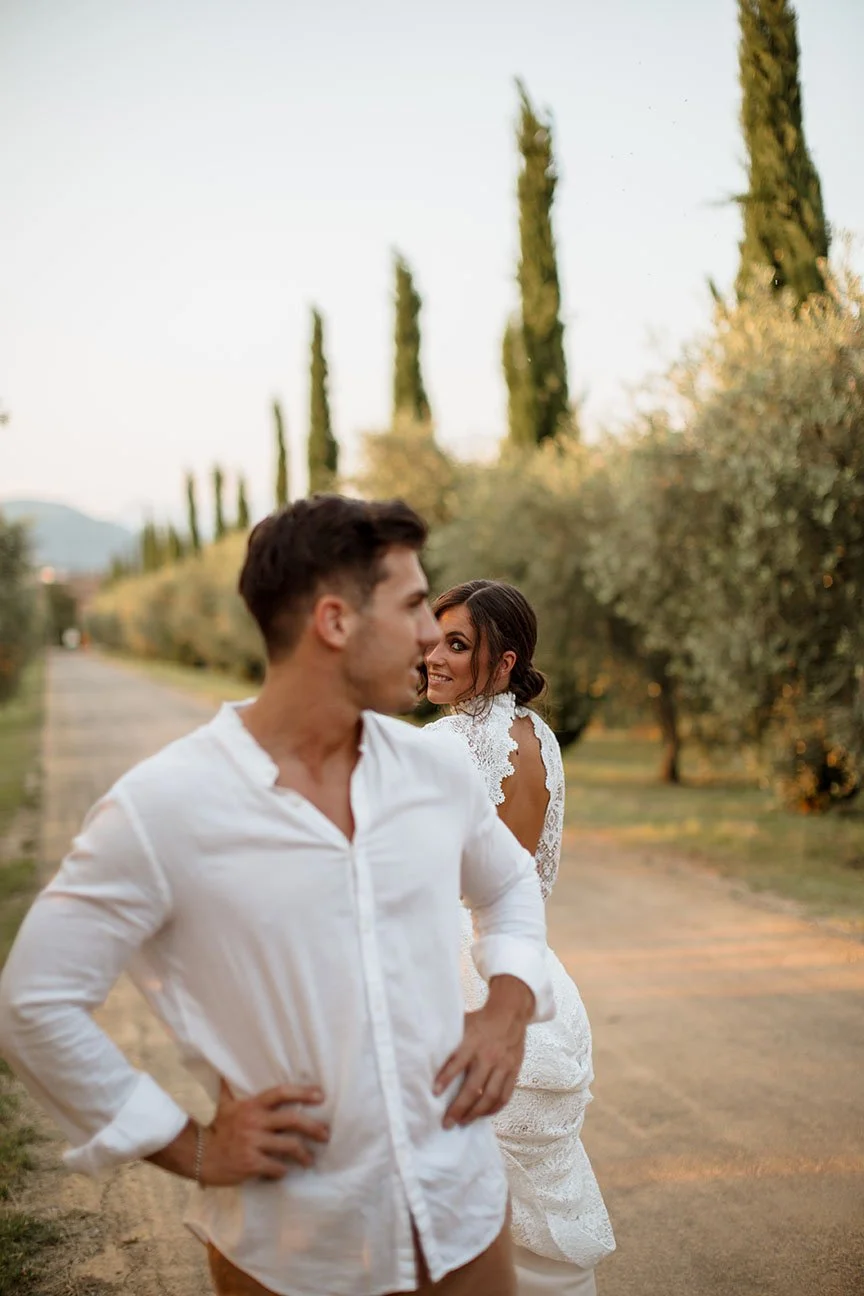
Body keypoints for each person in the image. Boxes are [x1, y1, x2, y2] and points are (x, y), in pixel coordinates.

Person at [0, 497, 555, 1296]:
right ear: (335, 621)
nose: (429, 636)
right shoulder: (164, 805)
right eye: (411, 606)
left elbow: (509, 884)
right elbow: (34, 1000)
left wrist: (507, 1010)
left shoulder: (435, 771)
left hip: (464, 1221)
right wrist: (189, 1146)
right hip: (295, 1253)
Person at [423, 580, 615, 1296]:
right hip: (536, 984)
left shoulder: (441, 745)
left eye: (457, 644)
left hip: (461, 987)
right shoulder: (543, 740)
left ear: (503, 663)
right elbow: (532, 880)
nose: (433, 656)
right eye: (434, 638)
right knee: (529, 1222)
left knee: (458, 1226)